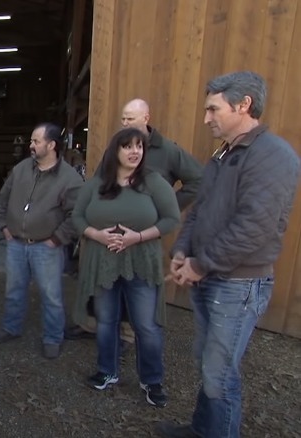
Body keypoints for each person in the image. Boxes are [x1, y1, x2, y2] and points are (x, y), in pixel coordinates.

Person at [156, 72, 300, 437]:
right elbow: (201, 210)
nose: (206, 118)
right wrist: (182, 250)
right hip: (212, 278)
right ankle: (203, 430)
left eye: (213, 109)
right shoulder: (224, 154)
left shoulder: (273, 156)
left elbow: (254, 227)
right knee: (209, 366)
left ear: (243, 104)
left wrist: (201, 264)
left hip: (237, 284)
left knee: (220, 375)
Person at [65, 98, 203, 341]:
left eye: (130, 118)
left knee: (137, 283)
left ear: (146, 118)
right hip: (105, 234)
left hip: (142, 235)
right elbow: (99, 183)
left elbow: (198, 181)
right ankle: (94, 326)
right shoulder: (114, 148)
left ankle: (128, 335)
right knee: (101, 281)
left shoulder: (169, 150)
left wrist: (164, 208)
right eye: (123, 118)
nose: (124, 122)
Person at [72, 127, 180, 406]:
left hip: (141, 261)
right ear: (115, 151)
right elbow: (77, 216)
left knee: (146, 325)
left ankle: (152, 380)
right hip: (104, 262)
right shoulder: (97, 184)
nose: (135, 151)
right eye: (127, 146)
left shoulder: (153, 183)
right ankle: (107, 371)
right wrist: (96, 234)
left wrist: (138, 237)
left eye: (139, 147)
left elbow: (171, 218)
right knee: (106, 321)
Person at [0, 122, 83, 359]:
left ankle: (53, 338)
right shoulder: (21, 168)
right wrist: (4, 226)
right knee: (14, 290)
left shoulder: (69, 178)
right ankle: (11, 328)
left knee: (51, 295)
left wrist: (57, 239)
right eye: (31, 141)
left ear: (51, 145)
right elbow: (4, 197)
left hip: (46, 247)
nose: (31, 145)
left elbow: (78, 214)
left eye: (36, 141)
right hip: (16, 243)